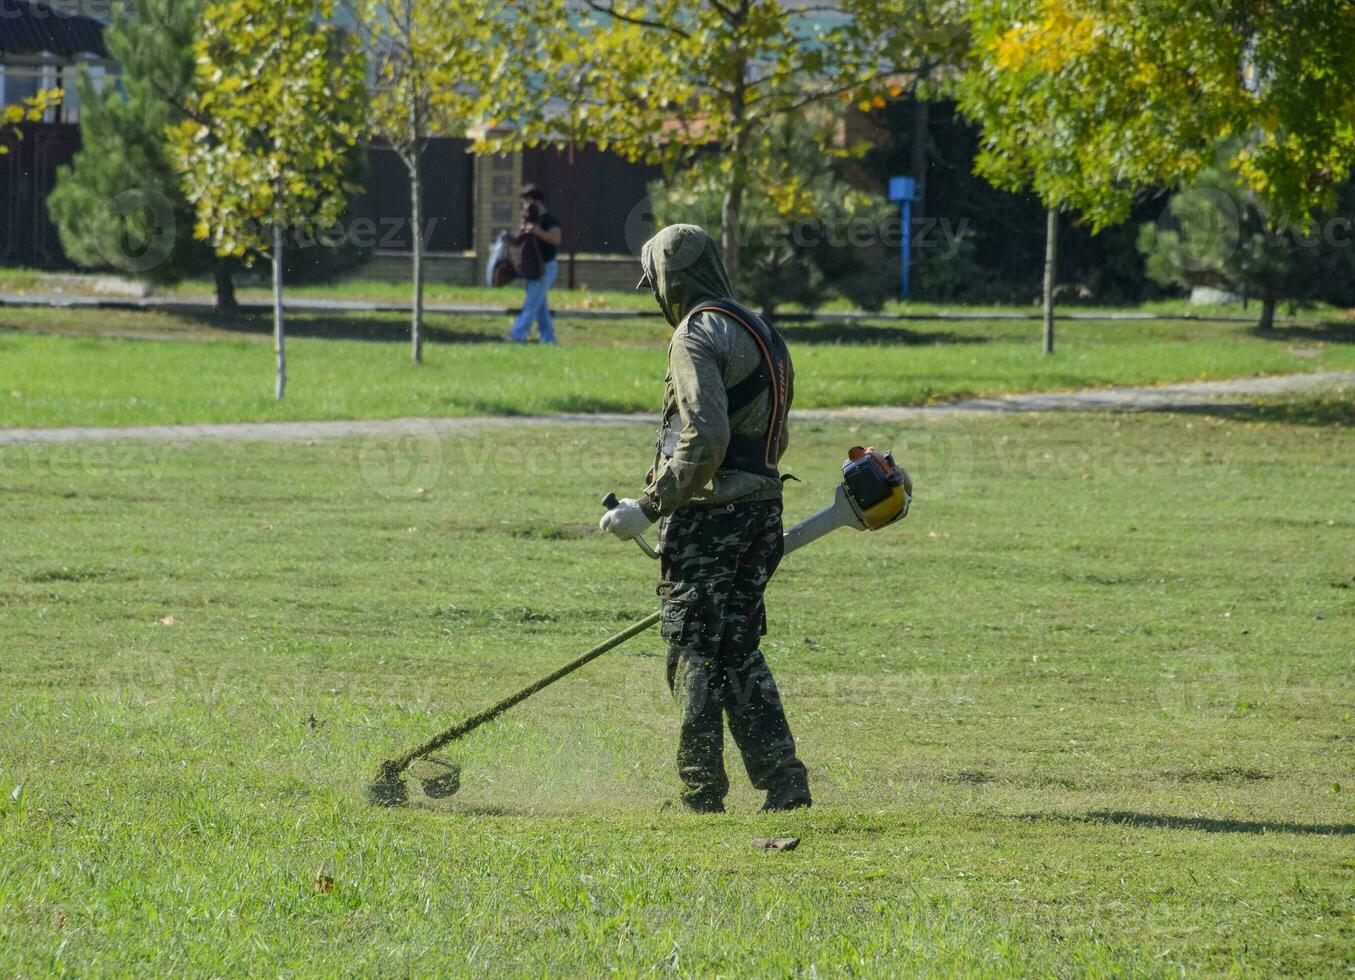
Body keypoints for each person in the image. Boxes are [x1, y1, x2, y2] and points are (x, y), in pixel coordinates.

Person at [599, 223, 811, 814]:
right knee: (737, 647)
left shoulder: (695, 334)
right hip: (763, 509)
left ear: (672, 281)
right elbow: (776, 434)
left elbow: (707, 436)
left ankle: (700, 791)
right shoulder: (762, 331)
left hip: (709, 518)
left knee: (693, 648)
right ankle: (783, 778)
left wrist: (648, 505)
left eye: (656, 286)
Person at [508, 185, 561, 344]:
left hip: (545, 268)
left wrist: (537, 231)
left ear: (534, 201)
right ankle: (549, 339)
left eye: (525, 201)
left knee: (531, 304)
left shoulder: (549, 220)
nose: (524, 206)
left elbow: (556, 239)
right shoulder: (528, 219)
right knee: (539, 307)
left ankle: (517, 335)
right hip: (531, 269)